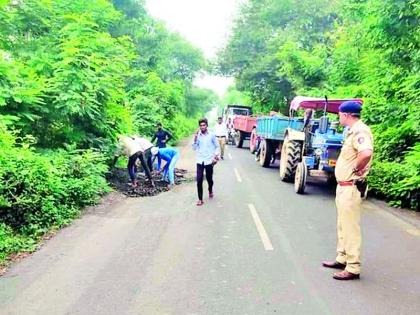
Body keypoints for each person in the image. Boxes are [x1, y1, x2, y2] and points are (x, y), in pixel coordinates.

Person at [322, 101, 373, 281]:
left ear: (346, 115)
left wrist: (357, 169)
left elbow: (365, 153)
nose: (339, 117)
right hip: (344, 186)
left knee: (350, 227)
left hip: (351, 186)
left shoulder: (360, 131)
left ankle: (353, 267)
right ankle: (342, 257)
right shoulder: (352, 131)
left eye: (340, 114)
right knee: (343, 224)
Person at [192, 118, 220, 206]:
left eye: (204, 125)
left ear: (207, 125)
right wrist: (195, 139)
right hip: (200, 161)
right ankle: (200, 199)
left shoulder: (211, 135)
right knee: (199, 180)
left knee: (209, 179)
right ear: (199, 126)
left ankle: (210, 190)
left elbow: (217, 146)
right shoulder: (198, 135)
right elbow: (194, 148)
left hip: (209, 161)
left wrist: (215, 156)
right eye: (201, 125)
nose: (202, 127)